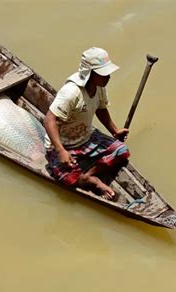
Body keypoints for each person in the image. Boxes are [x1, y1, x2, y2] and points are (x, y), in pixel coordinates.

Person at [44, 47, 130, 200]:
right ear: (89, 73)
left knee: (121, 151)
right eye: (103, 74)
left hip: (87, 137)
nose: (108, 77)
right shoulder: (71, 92)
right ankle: (91, 180)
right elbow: (49, 119)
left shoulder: (99, 88)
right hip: (64, 144)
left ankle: (85, 175)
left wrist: (115, 131)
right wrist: (60, 150)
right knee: (67, 178)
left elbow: (101, 109)